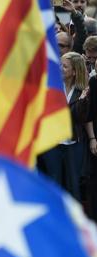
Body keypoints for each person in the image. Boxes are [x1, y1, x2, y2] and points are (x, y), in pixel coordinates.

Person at [39, 52, 91, 200]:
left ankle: (74, 220)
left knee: (74, 185)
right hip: (52, 144)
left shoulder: (83, 90)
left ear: (74, 72)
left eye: (65, 66)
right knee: (53, 182)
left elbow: (80, 117)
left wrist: (81, 102)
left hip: (74, 143)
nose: (60, 68)